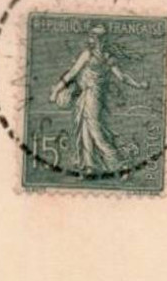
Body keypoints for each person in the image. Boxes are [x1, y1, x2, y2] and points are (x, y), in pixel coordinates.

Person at [49, 25, 148, 175]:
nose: (93, 40)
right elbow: (72, 73)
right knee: (85, 129)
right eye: (92, 37)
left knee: (96, 131)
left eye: (95, 38)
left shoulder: (104, 57)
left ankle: (118, 164)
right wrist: (57, 90)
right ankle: (90, 166)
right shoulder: (90, 55)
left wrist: (139, 85)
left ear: (99, 40)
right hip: (86, 95)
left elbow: (121, 77)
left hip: (94, 96)